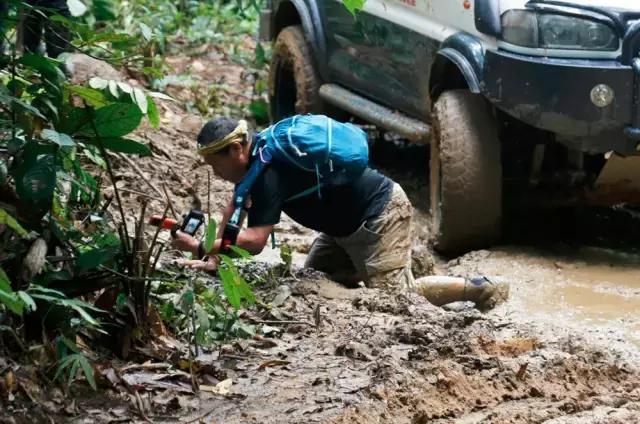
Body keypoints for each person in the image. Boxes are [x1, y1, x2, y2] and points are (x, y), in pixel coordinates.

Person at [172, 117, 508, 311]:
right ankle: (409, 261)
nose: (215, 173)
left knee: (395, 301)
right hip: (343, 229)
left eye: (215, 165)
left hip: (379, 216)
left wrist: (203, 247)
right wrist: (215, 259)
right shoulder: (260, 154)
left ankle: (481, 288)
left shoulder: (268, 175)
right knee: (317, 280)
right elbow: (235, 210)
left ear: (234, 150)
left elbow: (257, 242)